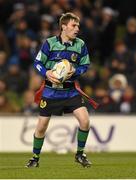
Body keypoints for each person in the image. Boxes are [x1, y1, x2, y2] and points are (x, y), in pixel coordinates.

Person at [25, 12, 92, 168]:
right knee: (41, 127)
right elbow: (37, 63)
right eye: (74, 25)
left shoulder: (80, 44)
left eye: (78, 26)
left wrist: (75, 71)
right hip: (51, 91)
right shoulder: (49, 43)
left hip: (71, 91)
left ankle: (80, 154)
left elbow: (85, 65)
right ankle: (35, 157)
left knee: (85, 121)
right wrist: (46, 72)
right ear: (64, 26)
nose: (77, 29)